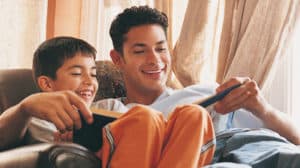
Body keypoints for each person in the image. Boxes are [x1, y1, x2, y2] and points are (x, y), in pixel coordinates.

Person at [91, 5, 300, 167]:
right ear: (117, 59)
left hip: (263, 149)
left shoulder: (209, 91)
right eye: (140, 51)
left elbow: (296, 138)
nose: (155, 60)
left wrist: (262, 108)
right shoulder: (112, 110)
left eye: (161, 49)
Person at [0, 36, 216, 167]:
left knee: (194, 114)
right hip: (103, 156)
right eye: (77, 74)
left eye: (93, 74)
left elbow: (155, 133)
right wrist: (24, 108)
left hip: (151, 154)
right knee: (144, 116)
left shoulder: (110, 107)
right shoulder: (36, 118)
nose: (89, 82)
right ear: (47, 85)